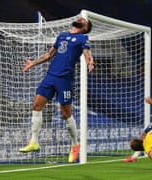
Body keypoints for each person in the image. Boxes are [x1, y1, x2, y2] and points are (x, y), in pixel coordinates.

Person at [18, 17, 94, 163]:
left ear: (85, 27)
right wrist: (32, 63)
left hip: (64, 79)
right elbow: (49, 54)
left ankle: (75, 144)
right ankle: (33, 141)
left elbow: (86, 53)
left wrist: (90, 61)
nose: (80, 18)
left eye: (83, 20)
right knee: (36, 106)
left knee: (66, 114)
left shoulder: (82, 38)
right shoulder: (62, 35)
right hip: (50, 76)